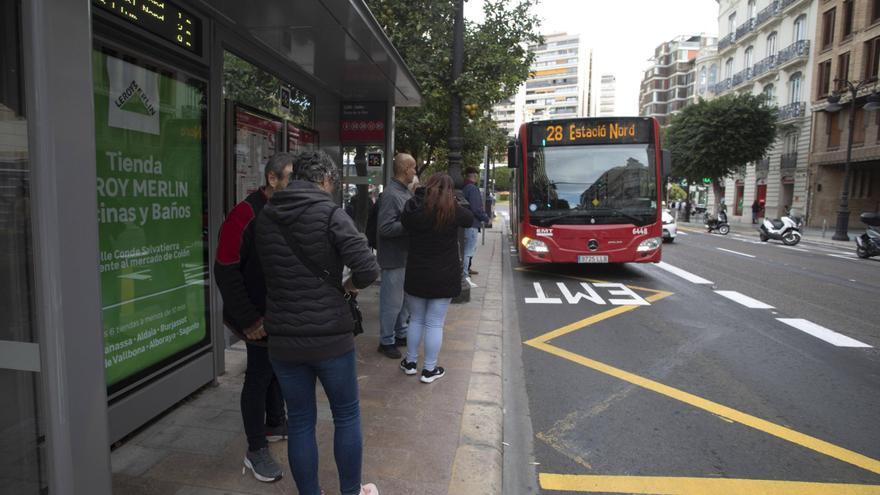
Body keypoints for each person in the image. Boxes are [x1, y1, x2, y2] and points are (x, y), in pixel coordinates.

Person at [256, 151, 381, 495]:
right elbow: (368, 270)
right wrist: (348, 288)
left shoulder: (267, 216)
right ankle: (351, 492)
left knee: (299, 422)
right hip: (330, 338)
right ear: (326, 180)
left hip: (283, 338)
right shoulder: (331, 214)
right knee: (346, 415)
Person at [214, 152, 292, 483]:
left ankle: (274, 421)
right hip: (254, 315)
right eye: (290, 176)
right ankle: (255, 449)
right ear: (272, 179)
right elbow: (226, 270)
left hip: (278, 313)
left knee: (275, 367)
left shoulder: (287, 210)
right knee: (259, 374)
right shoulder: (244, 214)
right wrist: (249, 319)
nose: (296, 184)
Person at [399, 173, 474, 383]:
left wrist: (417, 194)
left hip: (417, 272)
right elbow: (470, 218)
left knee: (416, 319)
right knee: (434, 324)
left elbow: (404, 218)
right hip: (444, 274)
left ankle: (411, 363)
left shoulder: (415, 207)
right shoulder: (452, 209)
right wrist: (454, 200)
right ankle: (429, 370)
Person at [376, 153, 417, 359]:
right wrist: (410, 225)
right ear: (405, 169)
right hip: (393, 257)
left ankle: (400, 333)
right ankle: (386, 340)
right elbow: (385, 227)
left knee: (403, 302)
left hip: (403, 255)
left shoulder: (403, 192)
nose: (415, 172)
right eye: (413, 168)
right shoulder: (392, 194)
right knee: (391, 303)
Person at [462, 166, 490, 285]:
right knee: (468, 251)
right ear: (474, 176)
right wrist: (486, 218)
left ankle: (466, 269)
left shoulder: (463, 187)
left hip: (466, 222)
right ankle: (464, 274)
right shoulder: (472, 188)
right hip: (472, 223)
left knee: (466, 249)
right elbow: (476, 208)